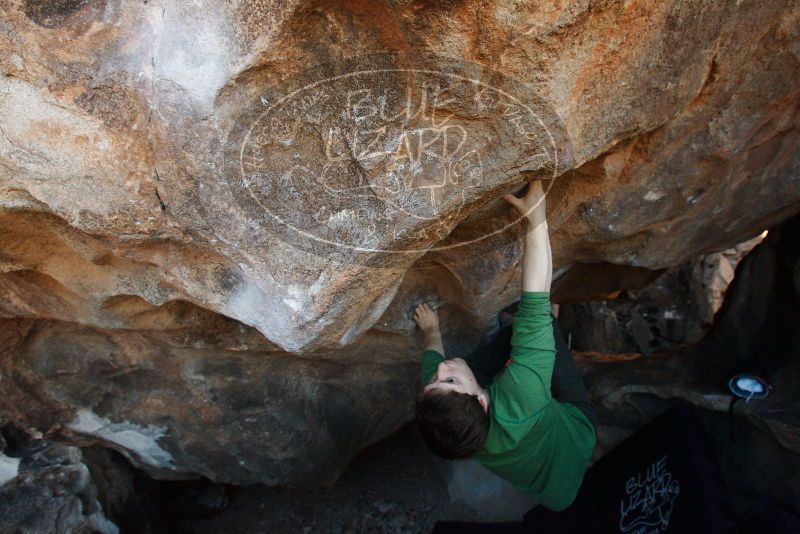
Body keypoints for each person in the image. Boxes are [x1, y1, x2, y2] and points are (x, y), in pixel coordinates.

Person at [413, 180, 597, 511]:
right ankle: (531, 339)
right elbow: (536, 301)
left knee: (480, 358)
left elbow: (433, 362)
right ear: (482, 402)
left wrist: (431, 329)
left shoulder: (463, 430)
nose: (441, 371)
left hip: (550, 489)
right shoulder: (521, 395)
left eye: (433, 381)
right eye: (449, 381)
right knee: (539, 324)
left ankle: (517, 344)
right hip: (576, 433)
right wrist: (535, 217)